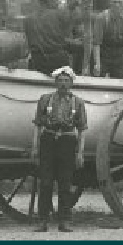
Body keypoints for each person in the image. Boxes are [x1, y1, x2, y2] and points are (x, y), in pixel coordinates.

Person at [32, 67, 87, 232]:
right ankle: (42, 220)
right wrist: (35, 146)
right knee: (46, 182)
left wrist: (80, 153)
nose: (63, 84)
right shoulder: (45, 100)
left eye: (66, 81)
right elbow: (37, 125)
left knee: (65, 183)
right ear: (56, 83)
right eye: (60, 81)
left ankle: (64, 220)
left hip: (68, 142)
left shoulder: (78, 103)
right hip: (48, 140)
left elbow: (82, 129)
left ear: (71, 83)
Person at [25, 0, 76, 74]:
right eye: (56, 0)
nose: (58, 2)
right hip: (57, 62)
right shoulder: (59, 15)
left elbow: (30, 41)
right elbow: (64, 39)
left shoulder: (29, 19)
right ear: (49, 1)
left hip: (36, 61)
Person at [63, 0, 90, 73]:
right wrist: (71, 41)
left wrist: (82, 37)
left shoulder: (78, 12)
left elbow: (79, 30)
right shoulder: (61, 11)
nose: (76, 0)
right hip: (61, 45)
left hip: (73, 46)